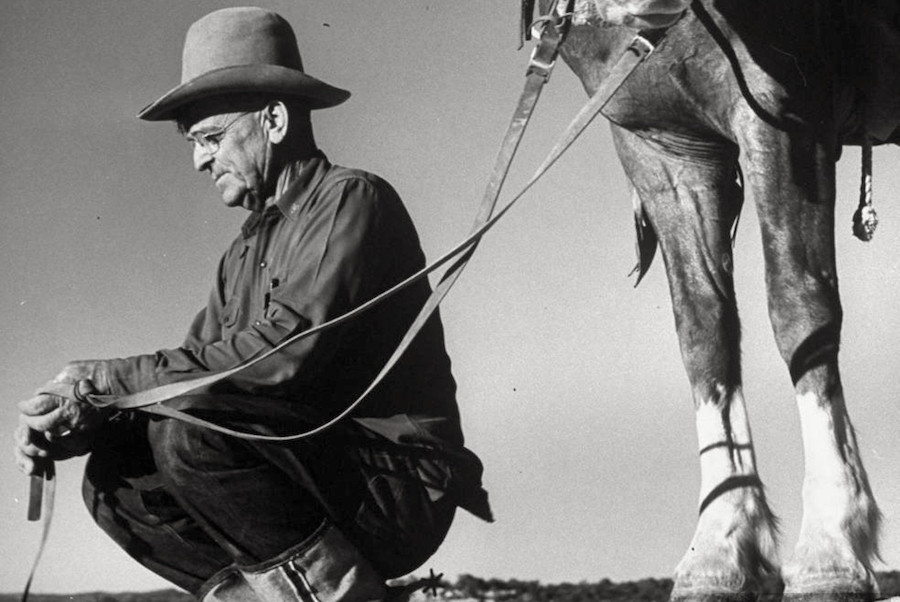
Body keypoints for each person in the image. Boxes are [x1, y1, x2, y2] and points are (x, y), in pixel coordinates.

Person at [13, 7, 491, 601]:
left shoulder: (351, 200)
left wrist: (106, 380)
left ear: (272, 119)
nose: (198, 160)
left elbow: (279, 359)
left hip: (400, 487)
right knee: (116, 471)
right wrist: (85, 418)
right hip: (318, 475)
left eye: (210, 138)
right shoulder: (241, 254)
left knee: (193, 435)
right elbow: (192, 372)